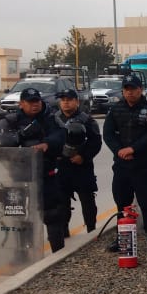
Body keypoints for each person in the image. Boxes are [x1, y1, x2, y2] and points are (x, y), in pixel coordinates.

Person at [0, 88, 68, 252]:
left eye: (36, 101)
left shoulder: (51, 119)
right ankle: (21, 254)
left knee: (52, 215)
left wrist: (47, 144)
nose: (34, 105)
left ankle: (58, 253)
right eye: (30, 102)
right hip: (18, 176)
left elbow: (61, 136)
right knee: (18, 216)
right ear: (21, 104)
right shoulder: (10, 120)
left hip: (46, 174)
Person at [103, 73, 147, 254]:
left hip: (142, 166)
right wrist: (120, 151)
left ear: (140, 90)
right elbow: (108, 134)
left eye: (134, 89)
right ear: (123, 91)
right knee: (122, 204)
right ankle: (121, 238)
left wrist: (133, 149)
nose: (130, 93)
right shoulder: (115, 110)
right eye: (126, 89)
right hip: (122, 165)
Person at [53, 88, 102, 234]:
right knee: (61, 202)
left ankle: (91, 229)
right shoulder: (53, 120)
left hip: (81, 167)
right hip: (60, 167)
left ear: (77, 102)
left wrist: (83, 156)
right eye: (63, 100)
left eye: (69, 99)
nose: (66, 103)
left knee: (87, 201)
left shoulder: (87, 120)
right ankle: (63, 232)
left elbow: (96, 142)